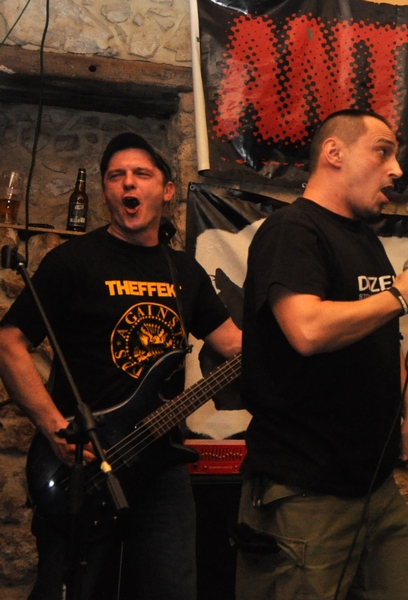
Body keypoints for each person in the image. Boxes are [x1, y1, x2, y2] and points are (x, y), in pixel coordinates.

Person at [0, 132, 242, 600]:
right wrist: (55, 428)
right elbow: (9, 340)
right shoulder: (72, 261)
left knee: (172, 589)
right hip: (83, 462)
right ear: (107, 192)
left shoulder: (183, 272)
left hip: (161, 463)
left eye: (141, 174)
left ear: (166, 191)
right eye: (116, 176)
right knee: (72, 588)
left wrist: (297, 332)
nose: (128, 183)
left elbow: (233, 344)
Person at [235, 109, 408, 600]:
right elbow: (307, 329)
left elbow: (382, 334)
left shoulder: (365, 240)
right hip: (305, 488)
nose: (396, 170)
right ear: (334, 153)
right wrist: (398, 297)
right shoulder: (291, 230)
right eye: (382, 152)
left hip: (373, 485)